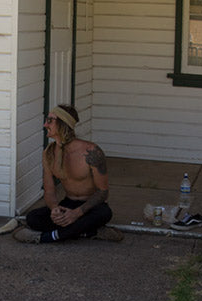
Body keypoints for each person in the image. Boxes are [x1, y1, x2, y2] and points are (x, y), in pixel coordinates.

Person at [12, 104, 123, 244]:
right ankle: (89, 231)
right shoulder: (49, 153)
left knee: (104, 214)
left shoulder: (91, 151)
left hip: (90, 205)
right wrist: (54, 209)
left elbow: (102, 192)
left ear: (63, 124)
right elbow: (49, 190)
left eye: (50, 120)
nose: (45, 124)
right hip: (68, 204)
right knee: (33, 218)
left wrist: (77, 214)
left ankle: (48, 237)